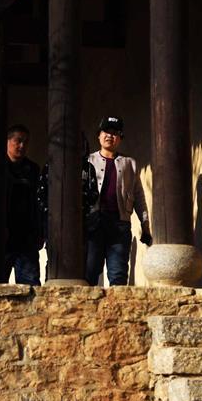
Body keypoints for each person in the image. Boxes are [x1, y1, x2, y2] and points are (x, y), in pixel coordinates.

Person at [86, 116, 152, 286]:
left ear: (120, 138)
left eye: (115, 133)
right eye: (106, 131)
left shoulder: (129, 163)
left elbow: (138, 196)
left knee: (118, 273)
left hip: (119, 224)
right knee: (90, 270)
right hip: (93, 224)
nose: (110, 136)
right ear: (99, 135)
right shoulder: (88, 161)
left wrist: (145, 225)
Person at [5, 124, 42, 285]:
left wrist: (40, 231)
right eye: (18, 141)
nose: (22, 146)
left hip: (26, 236)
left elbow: (37, 203)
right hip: (2, 235)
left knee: (30, 284)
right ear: (8, 141)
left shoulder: (32, 169)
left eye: (26, 142)